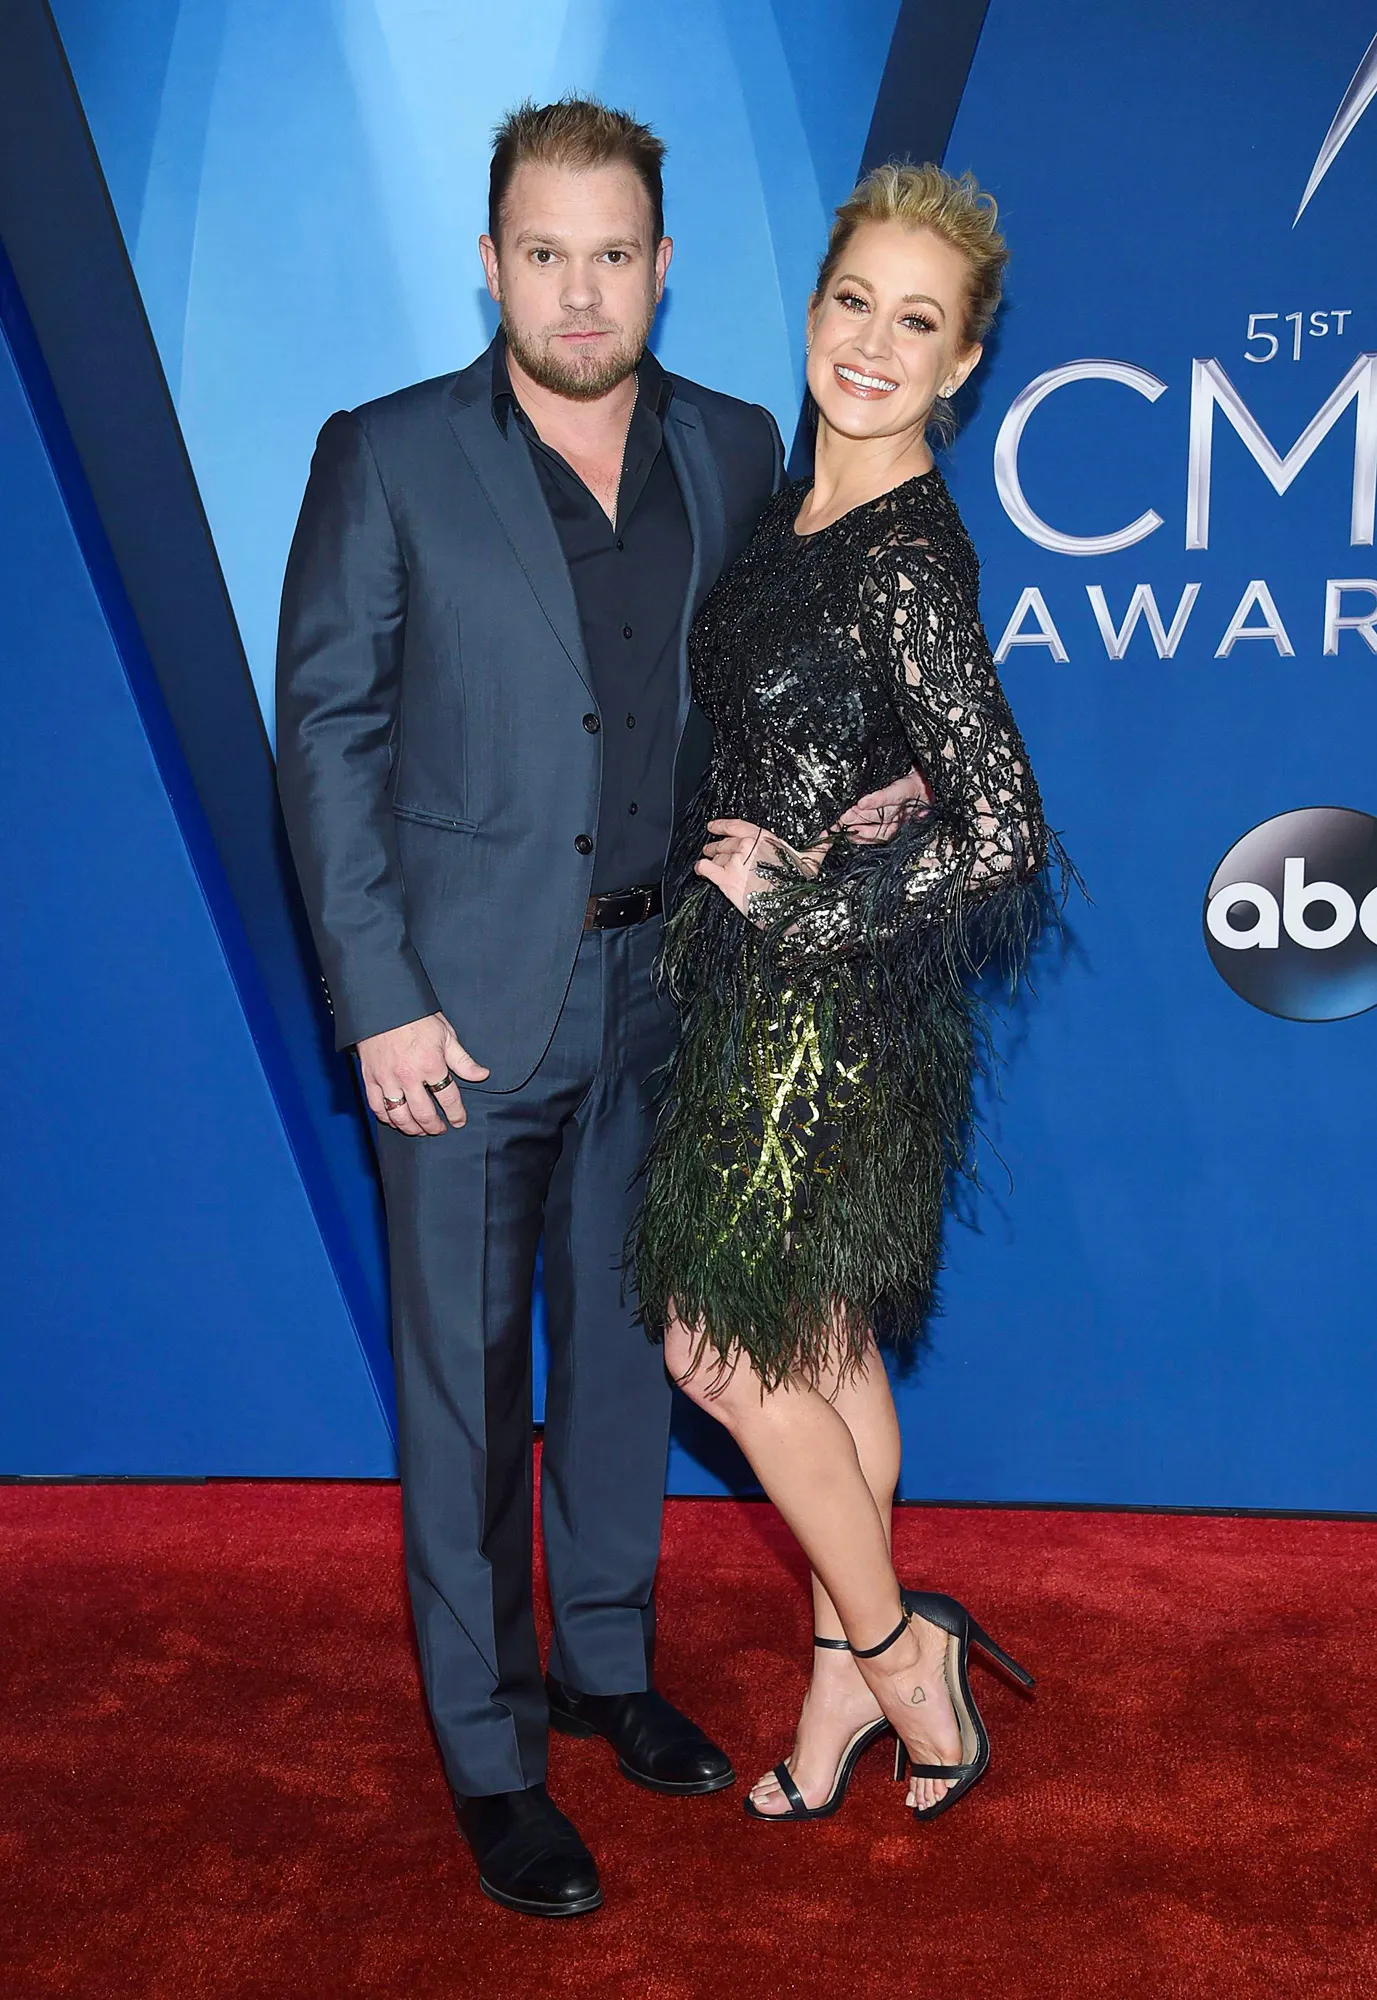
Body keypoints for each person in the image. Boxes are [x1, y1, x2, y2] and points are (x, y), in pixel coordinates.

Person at [275, 98, 921, 1918]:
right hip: (462, 1013)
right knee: (471, 1396)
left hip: (673, 987)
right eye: (545, 254)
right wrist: (380, 998)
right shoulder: (386, 456)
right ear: (490, 265)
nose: (581, 289)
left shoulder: (733, 445)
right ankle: (493, 1757)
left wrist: (860, 788)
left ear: (662, 262)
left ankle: (605, 1668)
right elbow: (326, 739)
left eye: (613, 253)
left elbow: (780, 681)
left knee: (637, 1352)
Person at [633, 162, 1063, 1827]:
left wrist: (810, 902)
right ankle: (836, 1700)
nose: (875, 344)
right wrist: (861, 809)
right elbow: (861, 748)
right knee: (817, 1348)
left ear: (965, 362)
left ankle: (899, 1653)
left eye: (919, 322)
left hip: (816, 1019)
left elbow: (1010, 831)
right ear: (813, 310)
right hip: (778, 1005)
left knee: (713, 1343)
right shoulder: (795, 508)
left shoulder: (904, 554)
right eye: (855, 302)